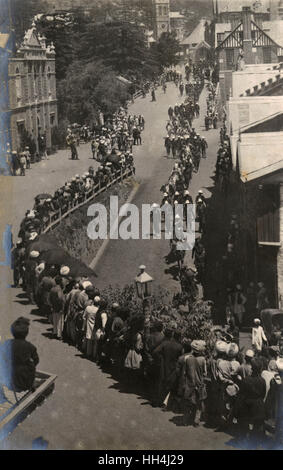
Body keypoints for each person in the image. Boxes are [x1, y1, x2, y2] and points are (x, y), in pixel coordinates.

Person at [0, 317, 39, 393]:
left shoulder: (7, 343)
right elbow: (36, 361)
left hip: (9, 379)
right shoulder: (30, 346)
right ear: (26, 333)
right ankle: (31, 385)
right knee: (31, 366)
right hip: (24, 382)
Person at [183, 340, 207, 426]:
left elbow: (185, 372)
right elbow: (205, 373)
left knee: (188, 402)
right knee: (199, 403)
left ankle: (185, 420)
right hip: (199, 384)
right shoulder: (203, 359)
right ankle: (196, 421)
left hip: (190, 384)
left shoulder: (188, 358)